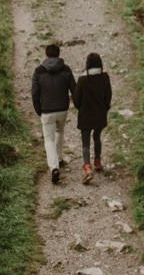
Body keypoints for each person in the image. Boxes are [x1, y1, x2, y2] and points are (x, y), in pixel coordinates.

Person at [31, 44, 76, 184]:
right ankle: (59, 158)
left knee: (48, 139)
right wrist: (77, 104)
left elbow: (34, 93)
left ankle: (54, 167)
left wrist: (39, 109)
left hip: (46, 111)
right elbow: (74, 89)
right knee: (60, 132)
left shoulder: (38, 71)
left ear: (46, 54)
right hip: (62, 109)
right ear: (58, 54)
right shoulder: (66, 69)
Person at [74, 52, 112, 184]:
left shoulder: (82, 80)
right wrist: (105, 108)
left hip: (85, 116)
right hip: (100, 115)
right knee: (97, 137)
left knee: (85, 142)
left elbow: (76, 101)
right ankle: (98, 161)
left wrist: (81, 108)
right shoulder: (105, 77)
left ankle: (87, 167)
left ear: (87, 65)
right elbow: (108, 96)